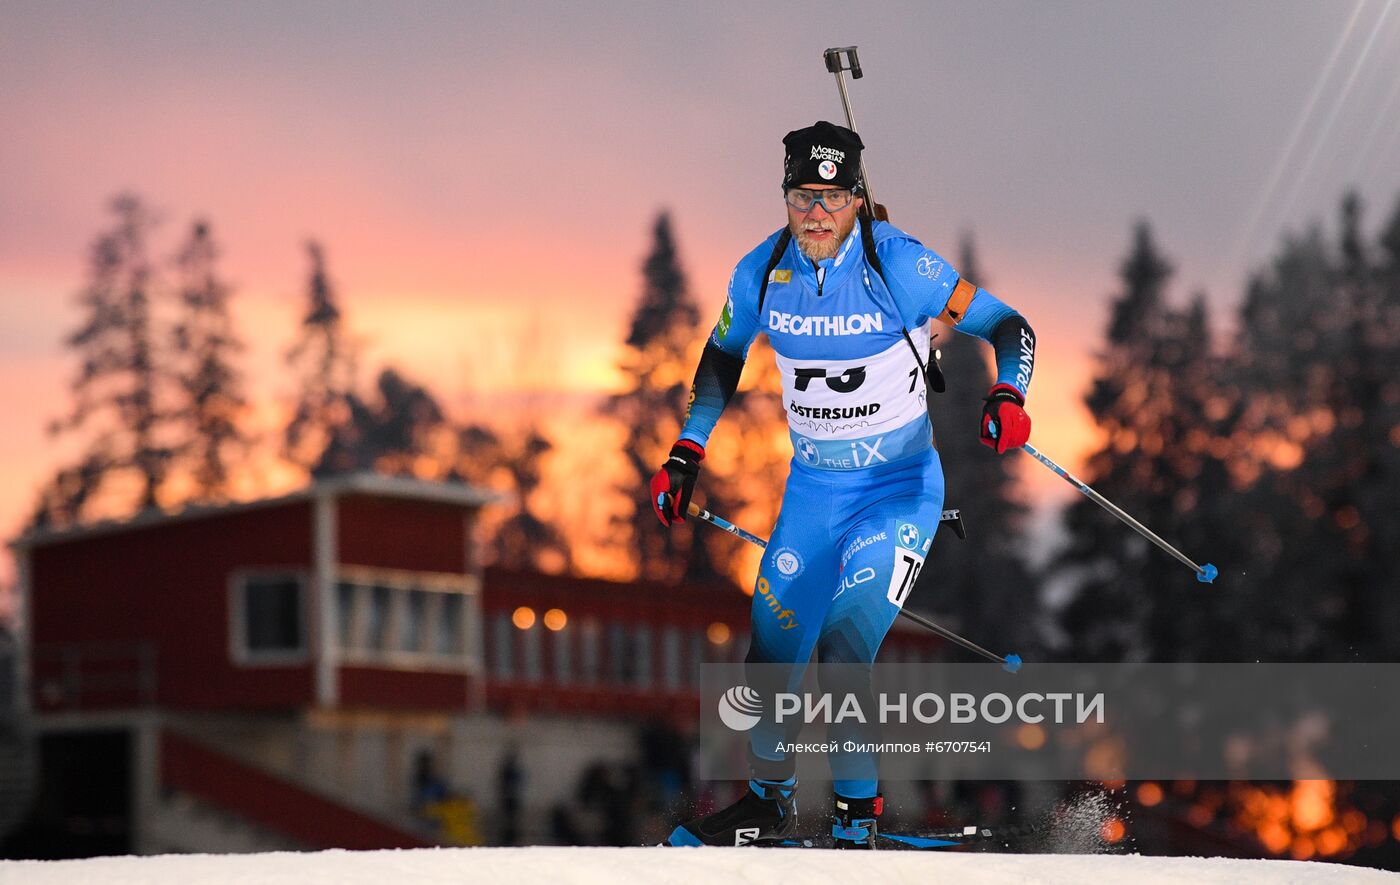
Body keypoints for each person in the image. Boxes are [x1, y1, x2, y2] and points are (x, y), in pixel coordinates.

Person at [653, 121, 1035, 848]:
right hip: (814, 495)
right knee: (769, 647)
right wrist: (685, 453)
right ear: (786, 196)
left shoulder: (902, 266)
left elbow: (1011, 326)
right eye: (803, 195)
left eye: (832, 197)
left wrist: (1008, 396)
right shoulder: (762, 272)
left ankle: (859, 822)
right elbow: (721, 357)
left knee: (842, 647)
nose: (816, 213)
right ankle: (768, 805)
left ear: (857, 198)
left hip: (897, 490)